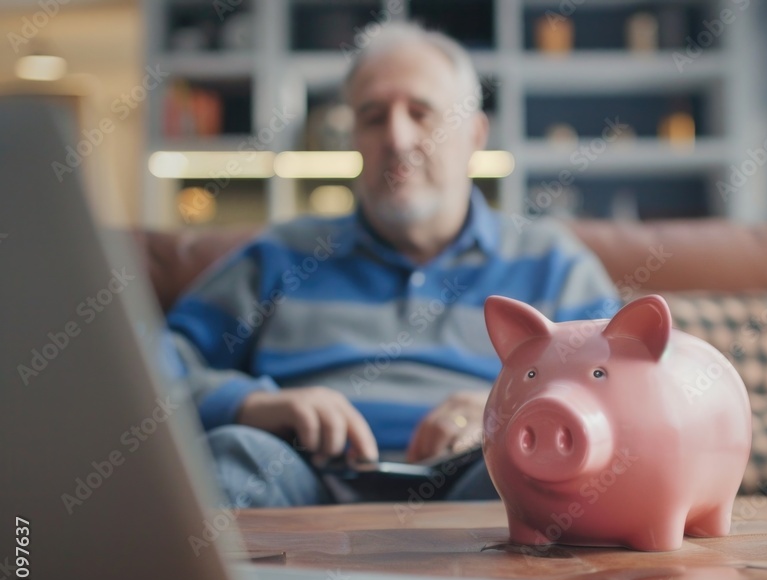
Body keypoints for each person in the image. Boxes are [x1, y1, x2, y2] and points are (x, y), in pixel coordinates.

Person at [167, 23, 622, 507]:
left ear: (475, 135)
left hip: (478, 479)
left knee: (538, 478)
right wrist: (251, 404)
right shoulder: (279, 254)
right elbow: (155, 365)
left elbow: (624, 396)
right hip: (303, 481)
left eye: (421, 114)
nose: (397, 138)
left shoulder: (553, 262)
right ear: (353, 139)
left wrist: (506, 411)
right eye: (373, 117)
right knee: (232, 456)